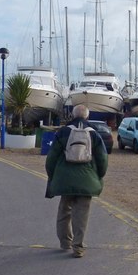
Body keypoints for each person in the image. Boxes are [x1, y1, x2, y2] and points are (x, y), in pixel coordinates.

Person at [44, 104, 108, 258]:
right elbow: (102, 159)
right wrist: (98, 176)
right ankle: (78, 247)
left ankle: (65, 242)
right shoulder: (94, 134)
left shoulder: (63, 132)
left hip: (65, 179)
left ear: (72, 115)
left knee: (64, 210)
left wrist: (53, 176)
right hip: (87, 179)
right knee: (82, 213)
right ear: (87, 116)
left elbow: (51, 158)